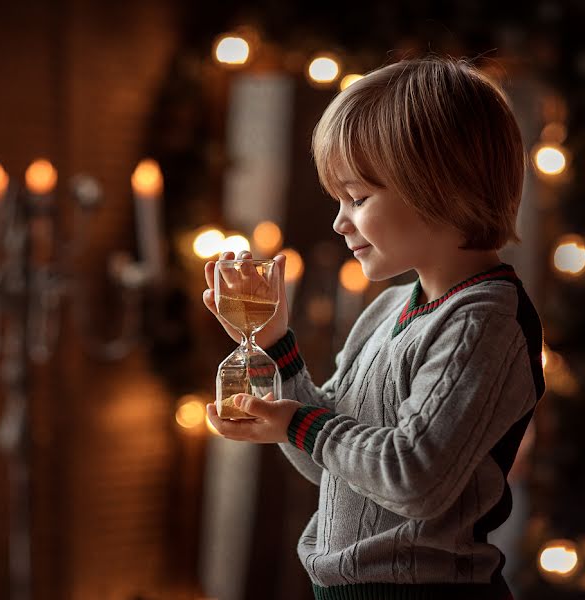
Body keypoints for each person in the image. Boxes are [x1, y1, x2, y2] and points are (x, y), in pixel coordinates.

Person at [202, 56, 545, 600]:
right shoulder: (387, 311)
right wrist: (275, 348)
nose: (340, 222)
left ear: (441, 185)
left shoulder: (482, 322)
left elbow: (412, 479)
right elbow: (337, 466)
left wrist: (298, 422)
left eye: (357, 199)